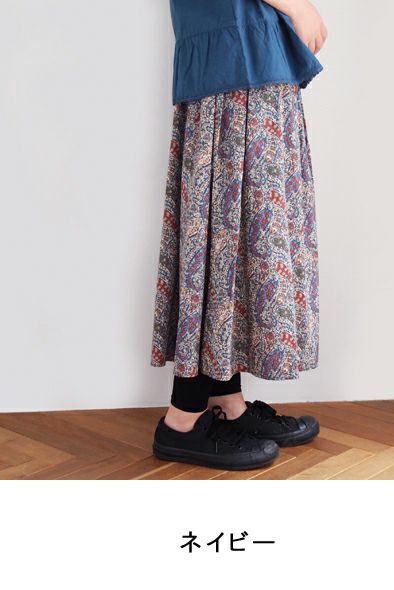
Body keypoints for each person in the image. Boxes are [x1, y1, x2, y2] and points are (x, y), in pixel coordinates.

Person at [150, 0, 328, 471]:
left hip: (243, 53)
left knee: (234, 236)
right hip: (234, 62)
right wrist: (298, 6)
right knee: (229, 237)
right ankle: (183, 418)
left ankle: (226, 401)